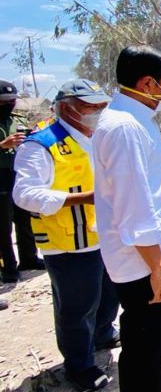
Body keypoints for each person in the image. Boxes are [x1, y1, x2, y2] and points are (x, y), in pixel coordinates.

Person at [92, 46, 161, 392]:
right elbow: (133, 205)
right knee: (143, 343)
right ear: (149, 83)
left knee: (153, 340)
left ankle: (160, 382)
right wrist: (157, 267)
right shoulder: (124, 128)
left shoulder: (138, 120)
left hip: (152, 256)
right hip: (142, 263)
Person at [13, 79, 120, 391]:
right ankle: (79, 367)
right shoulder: (41, 144)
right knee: (77, 306)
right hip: (68, 241)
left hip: (106, 235)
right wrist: (79, 198)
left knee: (108, 293)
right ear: (66, 108)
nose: (98, 112)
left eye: (102, 106)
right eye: (90, 107)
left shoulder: (100, 137)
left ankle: (102, 333)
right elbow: (25, 194)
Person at [0, 79, 44, 283]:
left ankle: (29, 258)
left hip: (18, 175)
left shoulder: (18, 120)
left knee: (25, 220)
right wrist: (3, 145)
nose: (9, 104)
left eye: (12, 100)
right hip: (0, 178)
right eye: (4, 101)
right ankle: (8, 268)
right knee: (3, 227)